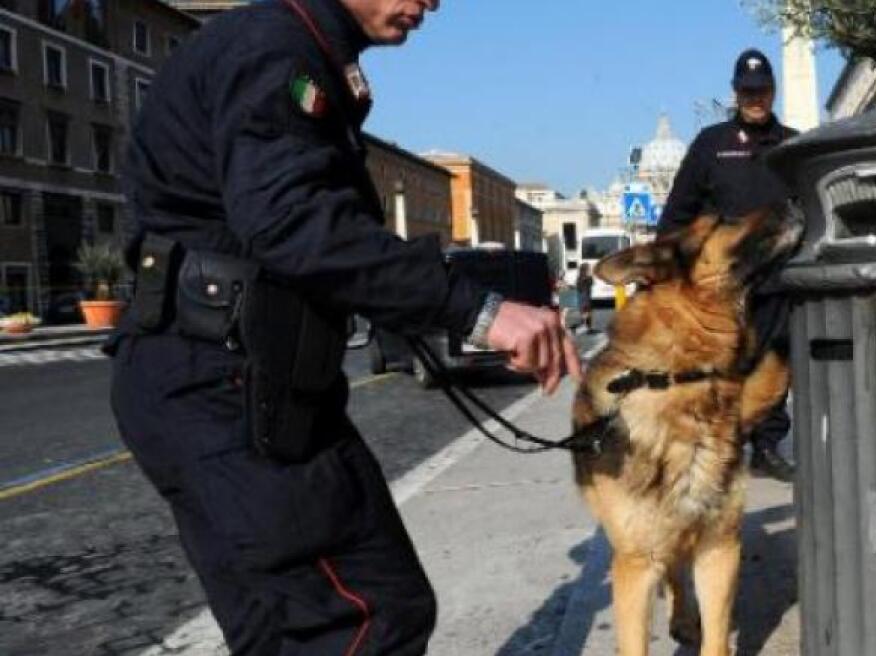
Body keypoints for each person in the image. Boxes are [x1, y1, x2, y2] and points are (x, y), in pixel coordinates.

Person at [107, 0, 581, 654]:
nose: (431, 3)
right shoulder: (276, 49)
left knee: (298, 627)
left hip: (237, 378)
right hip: (226, 382)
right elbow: (294, 225)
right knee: (362, 617)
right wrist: (483, 312)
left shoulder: (302, 51)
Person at [656, 48, 798, 482]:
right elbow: (679, 211)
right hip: (723, 286)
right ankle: (722, 447)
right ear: (735, 93)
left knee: (774, 364)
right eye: (747, 92)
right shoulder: (710, 145)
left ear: (773, 92)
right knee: (723, 368)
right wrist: (666, 266)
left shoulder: (793, 145)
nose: (755, 99)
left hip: (776, 279)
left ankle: (768, 446)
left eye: (762, 91)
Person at [575, 263, 594, 333]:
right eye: (589, 269)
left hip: (582, 297)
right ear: (585, 270)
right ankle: (586, 327)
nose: (590, 270)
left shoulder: (579, 278)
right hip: (585, 297)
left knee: (584, 312)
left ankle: (585, 326)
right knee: (587, 312)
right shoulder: (587, 278)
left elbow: (578, 287)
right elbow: (591, 283)